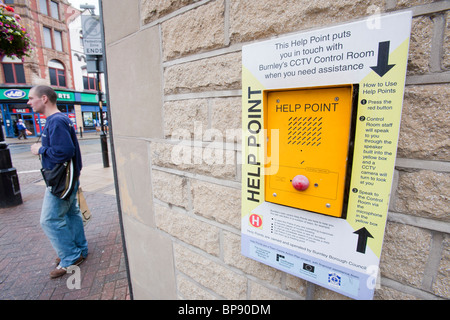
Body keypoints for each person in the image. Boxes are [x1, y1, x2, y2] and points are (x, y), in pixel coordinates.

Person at [28, 85, 88, 279]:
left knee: (49, 220)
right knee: (71, 214)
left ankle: (70, 257)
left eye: (31, 98)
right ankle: (79, 249)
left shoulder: (56, 121)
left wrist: (40, 150)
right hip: (67, 179)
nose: (28, 102)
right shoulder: (59, 120)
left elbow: (64, 151)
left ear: (44, 98)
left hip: (61, 181)